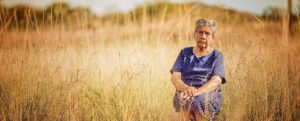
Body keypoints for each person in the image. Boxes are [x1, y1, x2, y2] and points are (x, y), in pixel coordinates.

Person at [170, 19, 226, 121]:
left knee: (198, 100)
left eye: (207, 33)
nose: (203, 36)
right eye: (200, 32)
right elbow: (175, 77)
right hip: (185, 91)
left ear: (212, 37)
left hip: (208, 93)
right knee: (182, 100)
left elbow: (216, 80)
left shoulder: (217, 56)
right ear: (195, 34)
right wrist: (186, 89)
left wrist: (197, 92)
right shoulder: (184, 53)